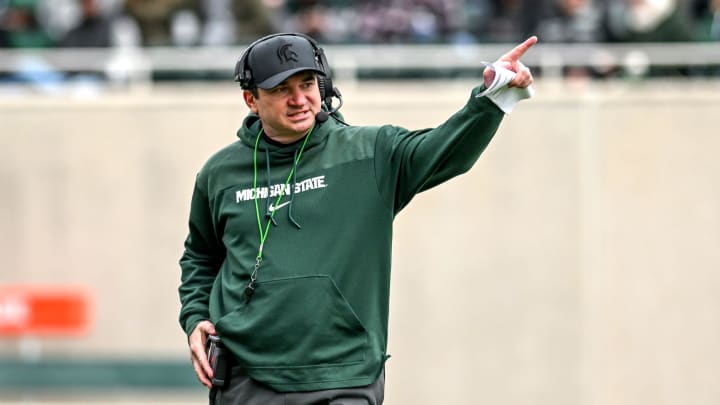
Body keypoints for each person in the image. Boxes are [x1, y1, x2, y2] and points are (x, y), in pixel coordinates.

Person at [178, 32, 537, 404]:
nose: (300, 99)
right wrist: (195, 316)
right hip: (246, 378)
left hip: (344, 376)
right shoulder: (218, 174)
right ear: (251, 99)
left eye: (307, 84)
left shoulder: (371, 153)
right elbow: (200, 256)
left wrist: (492, 98)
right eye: (282, 89)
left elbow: (446, 150)